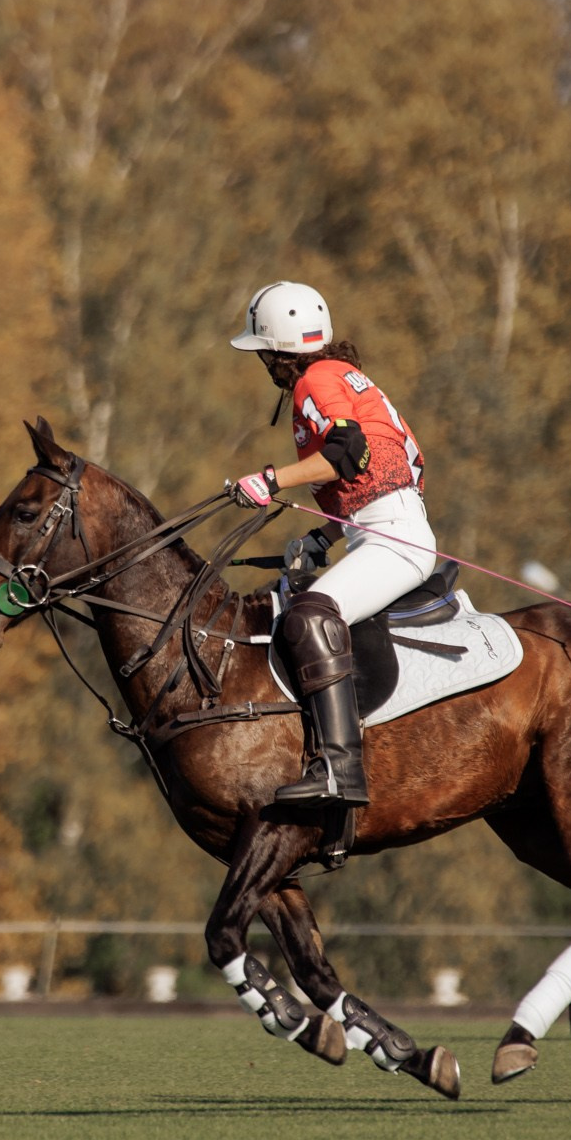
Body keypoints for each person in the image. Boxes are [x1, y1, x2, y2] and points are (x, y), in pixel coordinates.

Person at [223, 282, 437, 807]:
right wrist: (324, 535)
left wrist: (270, 480)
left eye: (265, 354)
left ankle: (341, 769)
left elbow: (349, 454)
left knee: (308, 615)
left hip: (395, 535)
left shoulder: (313, 381)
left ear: (279, 352)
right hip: (385, 527)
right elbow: (385, 474)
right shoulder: (344, 378)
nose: (266, 364)